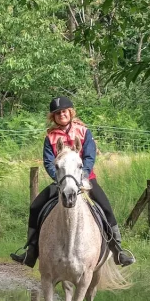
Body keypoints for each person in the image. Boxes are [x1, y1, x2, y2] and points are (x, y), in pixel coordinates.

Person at [10, 96, 136, 268]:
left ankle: (118, 251)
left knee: (106, 208)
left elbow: (90, 157)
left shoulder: (84, 132)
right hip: (62, 182)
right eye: (57, 113)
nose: (61, 115)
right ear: (53, 117)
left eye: (64, 111)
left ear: (70, 112)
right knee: (35, 207)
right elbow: (48, 162)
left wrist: (82, 176)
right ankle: (31, 251)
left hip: (85, 181)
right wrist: (60, 179)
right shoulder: (50, 137)